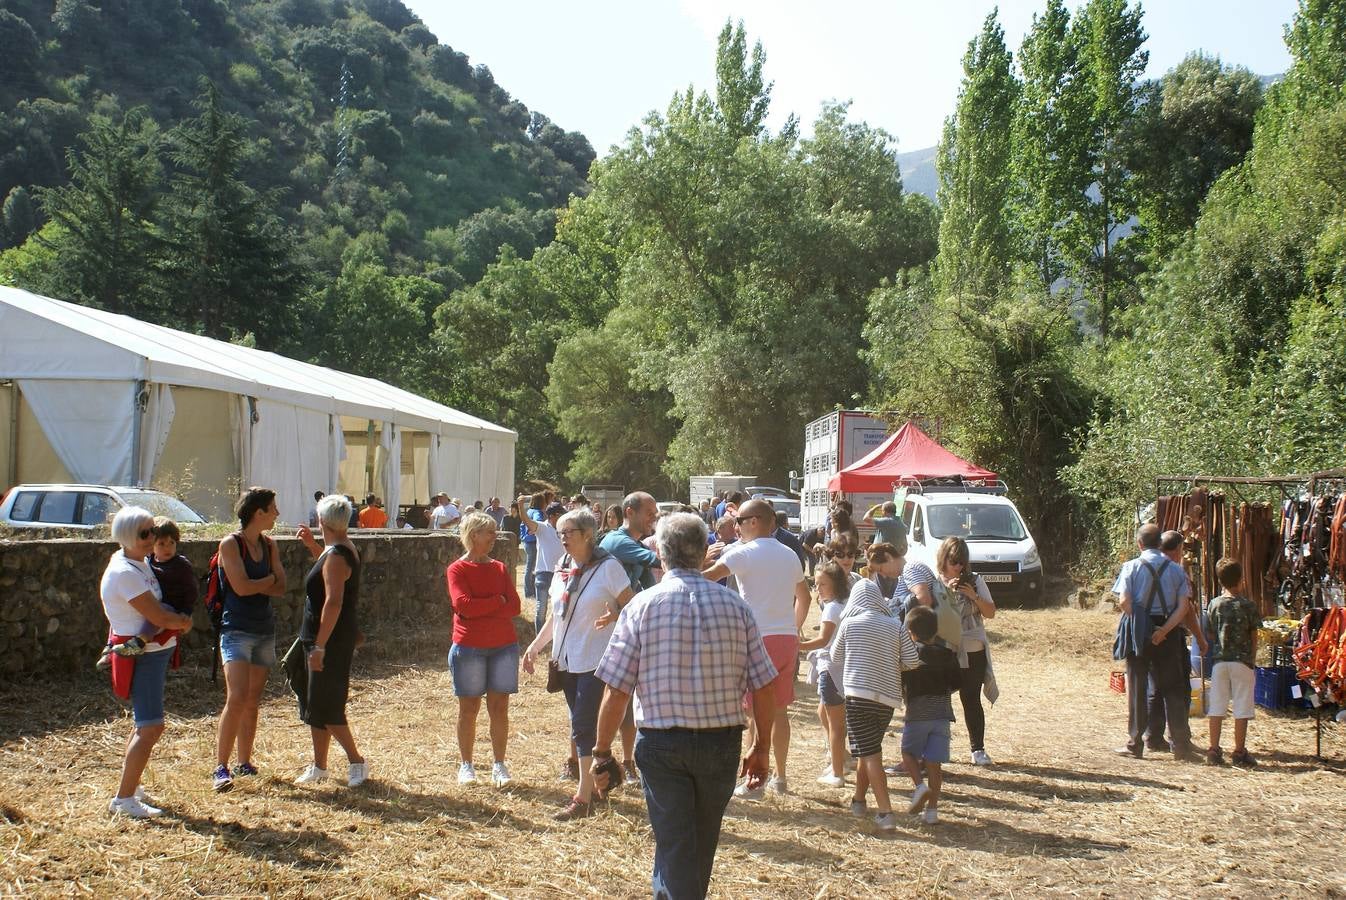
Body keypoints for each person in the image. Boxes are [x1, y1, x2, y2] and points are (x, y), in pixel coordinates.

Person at [589, 513, 778, 900]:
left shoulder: (641, 607)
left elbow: (617, 690)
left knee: (676, 843)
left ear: (660, 552)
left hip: (662, 743)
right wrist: (761, 747)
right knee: (698, 844)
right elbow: (764, 686)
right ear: (704, 553)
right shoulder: (736, 607)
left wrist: (602, 750)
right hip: (721, 743)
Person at [523, 509, 635, 819]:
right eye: (560, 532)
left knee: (583, 727)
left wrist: (614, 614)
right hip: (567, 659)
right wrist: (535, 646)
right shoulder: (562, 566)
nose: (562, 537)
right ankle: (602, 777)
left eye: (568, 532)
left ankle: (583, 798)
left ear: (587, 534)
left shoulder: (609, 568)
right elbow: (558, 618)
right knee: (580, 725)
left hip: (596, 660)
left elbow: (633, 606)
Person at [703, 498, 810, 798]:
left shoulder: (743, 553)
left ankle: (755, 781)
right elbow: (805, 597)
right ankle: (781, 776)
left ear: (754, 522)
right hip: (786, 638)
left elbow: (706, 578)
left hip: (757, 639)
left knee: (753, 712)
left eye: (738, 521)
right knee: (778, 710)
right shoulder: (790, 555)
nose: (735, 527)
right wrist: (795, 628)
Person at [101, 507, 194, 817]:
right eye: (145, 533)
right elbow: (156, 615)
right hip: (143, 656)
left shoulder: (136, 563)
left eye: (153, 531)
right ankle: (124, 798)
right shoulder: (126, 572)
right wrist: (182, 622)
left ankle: (131, 787)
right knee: (151, 727)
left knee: (144, 724)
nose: (152, 538)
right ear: (127, 536)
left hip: (152, 652)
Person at [828, 579, 919, 831]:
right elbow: (912, 660)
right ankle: (858, 800)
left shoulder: (849, 623)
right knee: (868, 750)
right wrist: (890, 663)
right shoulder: (895, 625)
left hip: (858, 695)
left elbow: (835, 656)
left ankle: (885, 812)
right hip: (888, 699)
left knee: (870, 754)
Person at [213, 487, 287, 792]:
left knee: (253, 701)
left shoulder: (269, 545)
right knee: (237, 697)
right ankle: (221, 767)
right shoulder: (230, 544)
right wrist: (267, 581)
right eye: (273, 508)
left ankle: (244, 762)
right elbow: (241, 588)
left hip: (263, 629)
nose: (277, 514)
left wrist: (263, 583)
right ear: (259, 513)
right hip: (237, 630)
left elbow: (282, 588)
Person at [294, 495, 368, 787]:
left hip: (330, 640)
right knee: (316, 703)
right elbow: (328, 574)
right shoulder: (339, 550)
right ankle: (319, 765)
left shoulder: (337, 555)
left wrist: (320, 645)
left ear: (321, 520)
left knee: (328, 705)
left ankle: (356, 761)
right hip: (325, 637)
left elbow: (333, 602)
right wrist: (313, 546)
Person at [445, 512, 522, 786]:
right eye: (489, 532)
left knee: (500, 708)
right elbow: (462, 605)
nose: (494, 537)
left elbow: (515, 606)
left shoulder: (499, 568)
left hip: (503, 646)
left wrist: (484, 606)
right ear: (473, 535)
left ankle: (499, 764)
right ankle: (467, 765)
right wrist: (496, 601)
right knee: (469, 709)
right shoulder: (457, 569)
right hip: (469, 647)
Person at [1112, 523, 1194, 760]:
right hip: (1167, 632)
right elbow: (1184, 607)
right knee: (1173, 688)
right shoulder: (1178, 570)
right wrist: (1164, 630)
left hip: (1139, 632)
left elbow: (1124, 602)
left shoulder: (1130, 567)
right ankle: (1180, 746)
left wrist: (1142, 625)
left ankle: (1135, 744)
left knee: (1137, 688)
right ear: (1160, 544)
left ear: (1139, 544)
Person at [936, 537, 999, 766]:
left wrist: (974, 596)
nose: (959, 567)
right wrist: (948, 596)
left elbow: (991, 612)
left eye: (962, 562)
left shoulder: (975, 581)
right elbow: (932, 616)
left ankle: (978, 749)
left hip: (973, 648)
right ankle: (938, 750)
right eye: (954, 562)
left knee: (971, 698)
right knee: (940, 699)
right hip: (945, 649)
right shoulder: (935, 582)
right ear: (944, 559)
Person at [1145, 529, 1209, 753]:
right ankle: (1180, 741)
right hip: (1172, 635)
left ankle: (1153, 737)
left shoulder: (1142, 566)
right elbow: (1188, 610)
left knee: (1154, 688)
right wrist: (1200, 637)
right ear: (1179, 550)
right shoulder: (1177, 572)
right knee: (1176, 689)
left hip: (1148, 634)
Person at [900, 605, 961, 825]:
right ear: (936, 632)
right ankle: (932, 811)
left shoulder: (911, 655)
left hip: (917, 714)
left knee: (908, 754)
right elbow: (957, 682)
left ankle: (919, 786)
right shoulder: (947, 654)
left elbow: (902, 682)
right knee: (935, 764)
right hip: (942, 714)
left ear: (910, 633)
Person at [799, 561, 851, 787]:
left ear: (836, 585)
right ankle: (839, 758)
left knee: (836, 724)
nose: (817, 588)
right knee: (824, 713)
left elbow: (823, 640)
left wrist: (797, 646)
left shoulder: (832, 608)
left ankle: (838, 772)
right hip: (837, 669)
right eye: (816, 583)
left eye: (822, 584)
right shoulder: (842, 603)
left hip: (831, 669)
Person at [1204, 558, 1259, 767]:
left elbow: (1210, 631)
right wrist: (1252, 658)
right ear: (1241, 580)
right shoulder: (1248, 606)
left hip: (1219, 662)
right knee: (1242, 707)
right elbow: (1254, 636)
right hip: (1242, 661)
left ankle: (1213, 749)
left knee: (1217, 705)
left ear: (1220, 581)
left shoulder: (1214, 604)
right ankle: (1239, 751)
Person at [521, 501, 566, 634]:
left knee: (559, 608)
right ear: (553, 516)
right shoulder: (541, 527)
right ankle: (538, 638)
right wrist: (520, 506)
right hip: (543, 574)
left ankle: (556, 635)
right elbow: (526, 520)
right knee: (541, 609)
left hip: (560, 574)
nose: (563, 517)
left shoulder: (563, 530)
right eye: (560, 514)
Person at [865, 541, 908, 612]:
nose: (884, 576)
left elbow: (923, 600)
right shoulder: (901, 577)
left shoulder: (910, 569)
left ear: (888, 557)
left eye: (881, 569)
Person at [520, 493, 544, 604]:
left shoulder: (528, 511)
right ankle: (529, 592)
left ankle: (528, 590)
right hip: (533, 542)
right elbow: (538, 523)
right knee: (531, 567)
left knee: (529, 567)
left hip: (526, 542)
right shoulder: (537, 512)